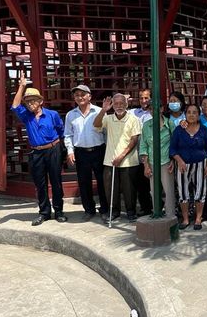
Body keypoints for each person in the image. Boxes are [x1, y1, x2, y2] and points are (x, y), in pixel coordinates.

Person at [11, 71, 66, 226]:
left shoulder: (52, 114)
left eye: (33, 101)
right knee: (40, 183)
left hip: (53, 149)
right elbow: (15, 106)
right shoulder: (26, 116)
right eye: (27, 102)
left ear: (40, 101)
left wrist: (60, 149)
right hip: (36, 152)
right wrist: (21, 86)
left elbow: (61, 131)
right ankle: (44, 212)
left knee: (56, 181)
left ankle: (59, 211)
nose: (30, 104)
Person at [93, 94, 141, 222]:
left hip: (128, 160)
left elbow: (134, 139)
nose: (119, 106)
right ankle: (114, 211)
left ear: (126, 105)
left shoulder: (133, 119)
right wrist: (103, 110)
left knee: (129, 188)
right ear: (112, 105)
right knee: (110, 188)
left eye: (121, 103)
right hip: (110, 159)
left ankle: (131, 211)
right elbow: (96, 125)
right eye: (116, 104)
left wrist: (121, 156)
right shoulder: (108, 118)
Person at [64, 84, 107, 221]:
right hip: (81, 153)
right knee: (84, 182)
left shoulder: (100, 111)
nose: (80, 97)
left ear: (89, 96)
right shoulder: (71, 115)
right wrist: (70, 151)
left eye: (83, 95)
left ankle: (105, 209)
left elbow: (106, 133)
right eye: (77, 95)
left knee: (103, 181)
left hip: (99, 150)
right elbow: (68, 135)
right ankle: (89, 209)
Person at [169, 103, 207, 230]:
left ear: (199, 115)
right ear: (185, 114)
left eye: (194, 112)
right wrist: (179, 160)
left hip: (200, 164)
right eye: (189, 112)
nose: (191, 115)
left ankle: (198, 219)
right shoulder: (179, 130)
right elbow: (172, 149)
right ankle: (185, 219)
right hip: (182, 165)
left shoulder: (203, 129)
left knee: (200, 191)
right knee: (183, 193)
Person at [139, 101, 176, 221]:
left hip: (166, 161)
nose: (153, 111)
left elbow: (175, 144)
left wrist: (173, 160)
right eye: (151, 109)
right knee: (154, 190)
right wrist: (146, 165)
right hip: (152, 162)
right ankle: (157, 213)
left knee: (169, 191)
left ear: (161, 109)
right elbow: (143, 146)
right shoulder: (146, 125)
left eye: (156, 108)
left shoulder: (169, 124)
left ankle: (170, 216)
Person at [131, 88, 153, 215]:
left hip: (154, 153)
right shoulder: (133, 113)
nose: (144, 101)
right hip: (139, 153)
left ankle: (159, 206)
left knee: (154, 184)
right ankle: (146, 208)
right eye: (141, 98)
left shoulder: (155, 112)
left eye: (146, 98)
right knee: (141, 184)